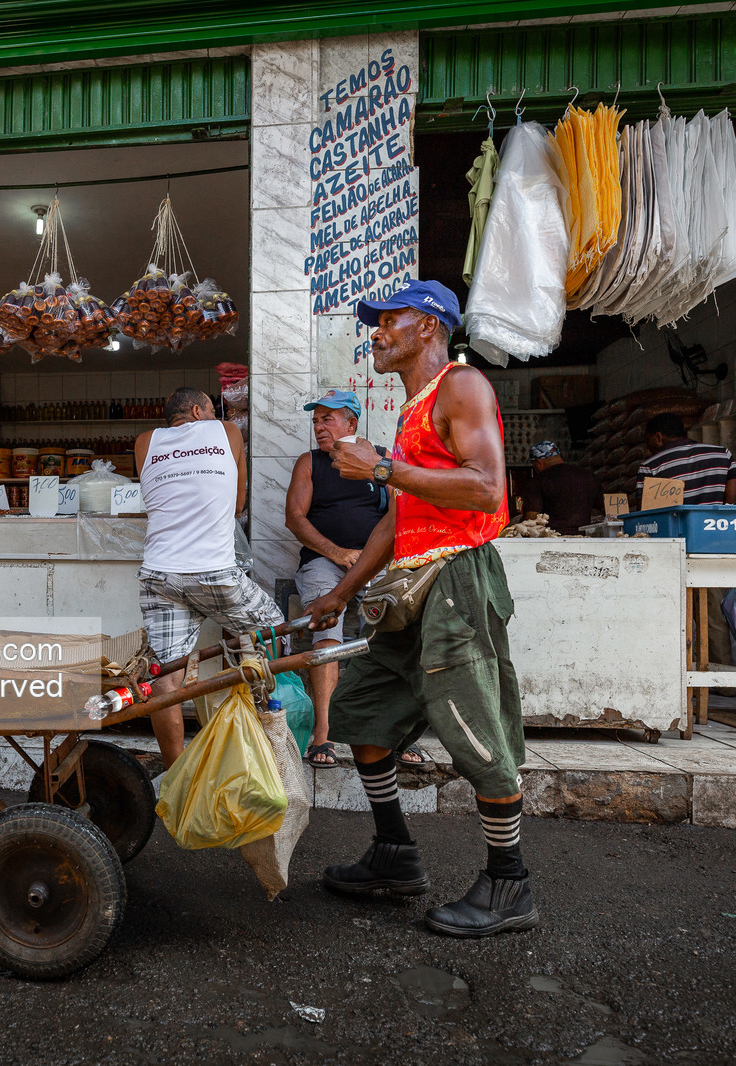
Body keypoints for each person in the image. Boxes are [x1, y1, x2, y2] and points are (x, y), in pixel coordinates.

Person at [304, 278, 537, 938]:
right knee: (362, 711)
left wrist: (383, 470)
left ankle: (510, 884)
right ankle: (394, 853)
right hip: (412, 586)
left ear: (429, 325)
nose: (376, 332)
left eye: (390, 320)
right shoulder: (412, 412)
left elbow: (486, 488)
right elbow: (398, 520)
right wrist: (340, 593)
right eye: (375, 323)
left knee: (474, 728)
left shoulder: (461, 386)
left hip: (457, 580)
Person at [135, 386, 283, 768]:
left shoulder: (144, 442)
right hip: (215, 573)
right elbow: (238, 505)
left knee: (166, 674)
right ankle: (267, 732)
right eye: (211, 410)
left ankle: (177, 775)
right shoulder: (228, 431)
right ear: (200, 411)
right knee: (275, 630)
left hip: (159, 575)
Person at [284, 389, 413, 767]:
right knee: (327, 627)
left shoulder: (381, 460)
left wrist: (372, 562)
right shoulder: (310, 463)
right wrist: (337, 553)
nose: (318, 427)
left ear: (351, 423)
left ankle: (395, 735)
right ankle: (323, 734)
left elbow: (402, 513)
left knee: (397, 633)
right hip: (324, 562)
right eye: (315, 420)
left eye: (327, 419)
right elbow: (294, 518)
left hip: (375, 562)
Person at [637, 413, 736, 505]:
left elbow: (646, 515)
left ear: (658, 437)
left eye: (648, 440)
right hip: (715, 521)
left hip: (675, 522)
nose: (647, 447)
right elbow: (732, 505)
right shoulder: (723, 454)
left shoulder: (649, 466)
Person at [522, 440, 604, 535]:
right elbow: (603, 510)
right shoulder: (589, 476)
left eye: (534, 465)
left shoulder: (538, 481)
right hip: (585, 536)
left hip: (552, 537)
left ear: (539, 463)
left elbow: (531, 518)